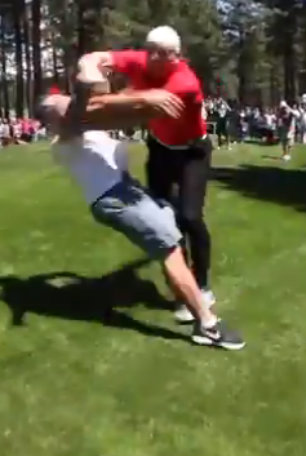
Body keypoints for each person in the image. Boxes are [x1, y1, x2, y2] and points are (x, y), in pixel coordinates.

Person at [34, 64, 245, 350]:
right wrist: (84, 80)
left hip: (127, 190)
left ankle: (187, 300)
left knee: (174, 230)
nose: (68, 105)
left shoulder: (88, 126)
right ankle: (207, 325)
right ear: (52, 119)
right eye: (60, 105)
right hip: (113, 198)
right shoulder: (66, 138)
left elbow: (112, 102)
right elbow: (79, 109)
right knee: (170, 250)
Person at [77, 25, 218, 325]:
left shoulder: (185, 83)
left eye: (162, 53)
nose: (153, 57)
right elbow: (94, 59)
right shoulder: (140, 60)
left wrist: (115, 98)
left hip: (193, 152)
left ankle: (202, 285)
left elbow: (125, 110)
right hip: (161, 149)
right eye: (150, 49)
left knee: (190, 217)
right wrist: (89, 66)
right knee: (165, 217)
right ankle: (182, 288)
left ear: (177, 57)